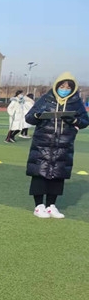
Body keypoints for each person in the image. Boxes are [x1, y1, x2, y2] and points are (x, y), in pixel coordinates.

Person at [25, 73, 89, 219]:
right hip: (43, 142)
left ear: (73, 89)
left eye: (68, 87)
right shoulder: (46, 99)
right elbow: (29, 118)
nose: (64, 89)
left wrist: (73, 120)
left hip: (64, 143)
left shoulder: (76, 102)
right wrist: (37, 116)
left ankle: (51, 205)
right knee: (40, 172)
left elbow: (85, 121)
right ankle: (39, 206)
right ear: (56, 86)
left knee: (58, 174)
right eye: (62, 86)